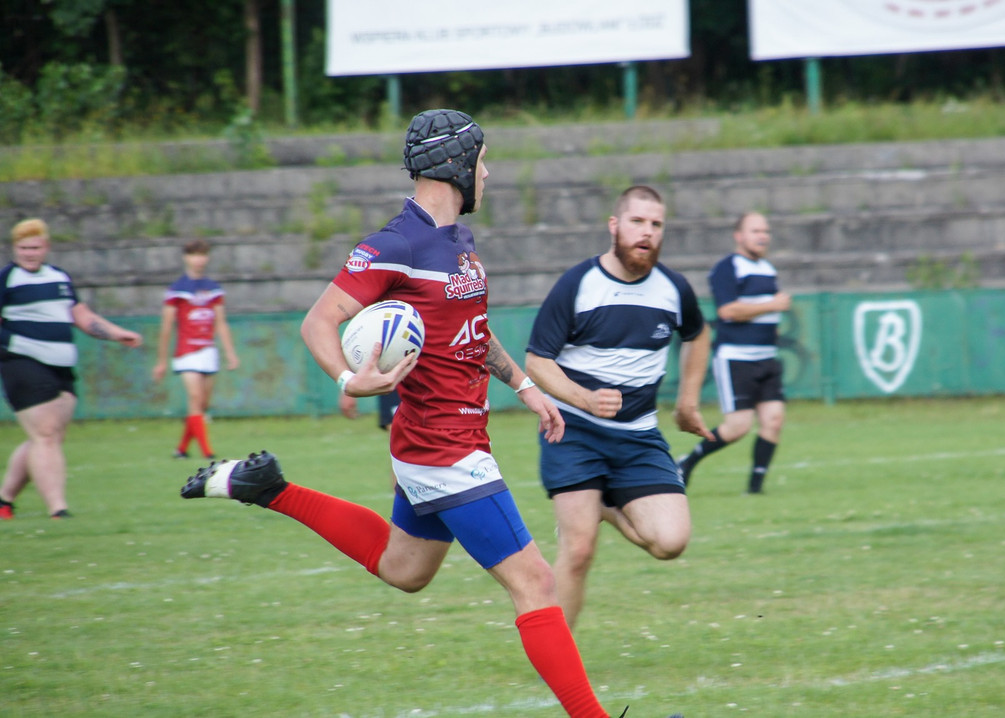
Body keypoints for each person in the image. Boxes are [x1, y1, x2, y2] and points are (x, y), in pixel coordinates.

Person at [179, 110, 629, 718]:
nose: (488, 174)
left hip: (445, 439)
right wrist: (348, 378)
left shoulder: (459, 241)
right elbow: (318, 321)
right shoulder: (395, 244)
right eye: (482, 161)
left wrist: (524, 385)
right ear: (456, 165)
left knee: (405, 567)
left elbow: (470, 331)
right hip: (444, 448)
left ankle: (267, 488)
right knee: (537, 583)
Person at [525, 185, 713, 629]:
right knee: (579, 551)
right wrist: (585, 399)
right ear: (614, 226)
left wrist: (687, 401)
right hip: (574, 431)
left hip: (639, 436)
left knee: (671, 542)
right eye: (637, 222)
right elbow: (537, 361)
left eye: (656, 224)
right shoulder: (578, 284)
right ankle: (559, 657)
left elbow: (698, 335)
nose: (647, 232)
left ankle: (604, 504)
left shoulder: (673, 289)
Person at [0, 218, 144, 519]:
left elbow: (80, 315)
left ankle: (4, 500)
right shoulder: (7, 279)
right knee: (46, 434)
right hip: (22, 361)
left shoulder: (59, 277)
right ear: (14, 248)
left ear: (46, 247)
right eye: (23, 248)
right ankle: (58, 508)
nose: (29, 254)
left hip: (61, 365)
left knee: (47, 438)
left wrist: (116, 333)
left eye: (35, 247)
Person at [676, 211, 790, 494]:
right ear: (739, 236)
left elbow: (763, 308)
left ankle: (755, 490)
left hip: (766, 357)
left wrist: (772, 323)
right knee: (738, 426)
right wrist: (773, 306)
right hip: (737, 359)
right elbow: (728, 311)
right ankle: (687, 462)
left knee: (774, 420)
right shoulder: (727, 267)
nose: (762, 236)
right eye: (755, 231)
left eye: (765, 231)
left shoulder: (768, 268)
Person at [151, 239, 239, 459]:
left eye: (202, 255)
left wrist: (230, 353)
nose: (199, 259)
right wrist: (161, 361)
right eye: (194, 255)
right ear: (186, 258)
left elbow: (221, 323)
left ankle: (181, 449)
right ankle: (208, 452)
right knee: (195, 397)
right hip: (186, 352)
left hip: (208, 351)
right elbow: (167, 327)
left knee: (201, 404)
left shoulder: (213, 288)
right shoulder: (177, 290)